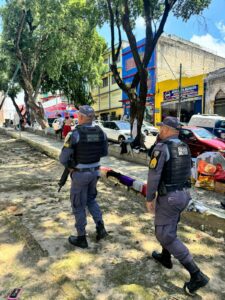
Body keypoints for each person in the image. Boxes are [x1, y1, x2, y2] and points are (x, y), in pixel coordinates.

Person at [146, 116, 209, 296]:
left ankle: (196, 275)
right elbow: (189, 171)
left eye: (161, 128)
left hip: (170, 198)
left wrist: (149, 198)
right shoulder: (184, 147)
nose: (159, 131)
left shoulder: (161, 148)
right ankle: (166, 257)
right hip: (183, 195)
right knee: (170, 225)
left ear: (166, 129)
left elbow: (153, 176)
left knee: (164, 233)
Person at [59, 105, 108, 248]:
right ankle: (101, 228)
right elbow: (104, 153)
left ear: (80, 117)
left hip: (80, 174)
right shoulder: (101, 132)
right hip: (95, 172)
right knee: (91, 200)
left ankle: (81, 237)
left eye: (78, 115)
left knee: (78, 205)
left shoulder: (75, 134)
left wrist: (71, 166)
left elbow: (63, 159)